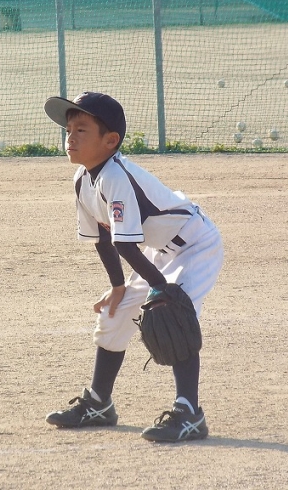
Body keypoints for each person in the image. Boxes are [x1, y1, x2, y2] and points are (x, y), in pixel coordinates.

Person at [42, 91, 224, 442]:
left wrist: (164, 291)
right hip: (157, 253)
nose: (70, 137)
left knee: (174, 317)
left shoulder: (116, 176)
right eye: (68, 130)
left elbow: (125, 244)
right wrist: (118, 287)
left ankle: (190, 414)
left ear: (110, 141)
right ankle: (99, 403)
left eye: (81, 130)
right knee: (116, 312)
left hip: (195, 245)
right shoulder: (82, 179)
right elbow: (103, 237)